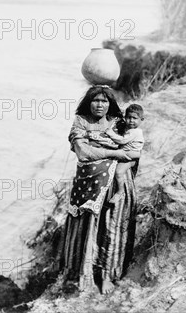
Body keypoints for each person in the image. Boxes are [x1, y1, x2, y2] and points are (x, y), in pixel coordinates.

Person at [60, 85, 140, 294]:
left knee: (111, 228)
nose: (99, 105)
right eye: (95, 100)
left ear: (110, 104)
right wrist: (115, 154)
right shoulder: (81, 122)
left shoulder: (118, 123)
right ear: (88, 102)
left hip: (117, 186)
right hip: (89, 186)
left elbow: (135, 149)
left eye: (104, 101)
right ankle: (81, 273)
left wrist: (126, 162)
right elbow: (84, 152)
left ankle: (107, 275)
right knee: (88, 228)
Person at [104, 104, 144, 204]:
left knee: (118, 171)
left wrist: (110, 134)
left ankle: (120, 192)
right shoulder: (129, 129)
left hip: (131, 155)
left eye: (135, 118)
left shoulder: (135, 131)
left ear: (141, 119)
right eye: (129, 118)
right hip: (129, 154)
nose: (131, 121)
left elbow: (122, 141)